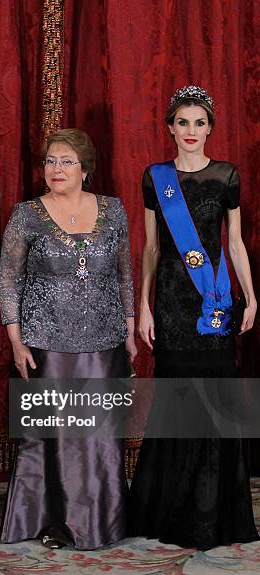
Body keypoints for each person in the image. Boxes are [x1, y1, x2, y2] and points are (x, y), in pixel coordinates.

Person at [130, 85, 258, 549]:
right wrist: (142, 306)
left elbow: (236, 243)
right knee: (176, 402)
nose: (191, 131)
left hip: (215, 301)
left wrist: (252, 295)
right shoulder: (155, 177)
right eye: (182, 122)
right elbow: (151, 248)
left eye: (199, 123)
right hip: (170, 303)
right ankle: (169, 510)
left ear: (210, 128)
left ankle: (214, 513)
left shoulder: (226, 176)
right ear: (169, 127)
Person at [0, 128, 136, 549]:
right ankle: (55, 522)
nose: (56, 169)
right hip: (46, 341)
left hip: (105, 339)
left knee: (99, 436)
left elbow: (125, 274)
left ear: (85, 169)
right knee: (56, 437)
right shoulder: (26, 215)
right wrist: (16, 342)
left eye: (66, 161)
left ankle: (103, 522)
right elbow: (8, 280)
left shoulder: (114, 211)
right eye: (50, 161)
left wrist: (129, 332)